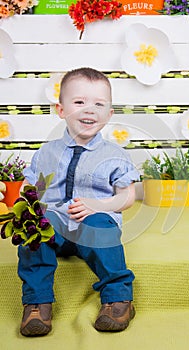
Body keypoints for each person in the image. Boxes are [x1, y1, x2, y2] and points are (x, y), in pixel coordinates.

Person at [19, 67, 140, 337]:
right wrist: (27, 212)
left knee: (100, 225)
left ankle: (118, 298)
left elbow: (127, 196)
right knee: (33, 231)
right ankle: (37, 303)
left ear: (109, 115)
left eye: (99, 104)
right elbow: (32, 191)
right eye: (79, 102)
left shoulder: (115, 154)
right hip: (56, 231)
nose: (90, 110)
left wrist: (99, 206)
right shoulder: (46, 152)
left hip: (92, 229)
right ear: (61, 110)